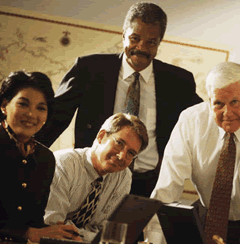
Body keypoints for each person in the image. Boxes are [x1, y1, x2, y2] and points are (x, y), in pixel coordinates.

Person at [35, 2, 202, 198]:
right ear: (123, 35)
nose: (141, 47)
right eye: (135, 38)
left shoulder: (178, 81)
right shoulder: (89, 69)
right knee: (81, 229)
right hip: (91, 178)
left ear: (159, 42)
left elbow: (201, 121)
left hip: (147, 185)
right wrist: (25, 157)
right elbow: (54, 119)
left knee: (136, 230)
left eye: (151, 42)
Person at [145, 62, 240, 244]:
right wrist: (153, 243)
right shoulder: (191, 120)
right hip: (205, 217)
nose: (227, 113)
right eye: (218, 104)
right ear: (209, 100)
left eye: (234, 102)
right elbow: (167, 186)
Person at [0, 71, 81, 243]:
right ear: (4, 105)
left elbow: (33, 222)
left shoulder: (45, 158)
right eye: (23, 104)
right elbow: (27, 230)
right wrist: (26, 233)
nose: (31, 115)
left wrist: (60, 233)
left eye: (41, 108)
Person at [44, 113, 148, 242]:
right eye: (119, 143)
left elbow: (111, 233)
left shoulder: (124, 176)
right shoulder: (64, 164)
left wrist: (88, 237)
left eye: (131, 153)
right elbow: (53, 227)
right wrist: (97, 238)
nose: (122, 156)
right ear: (101, 136)